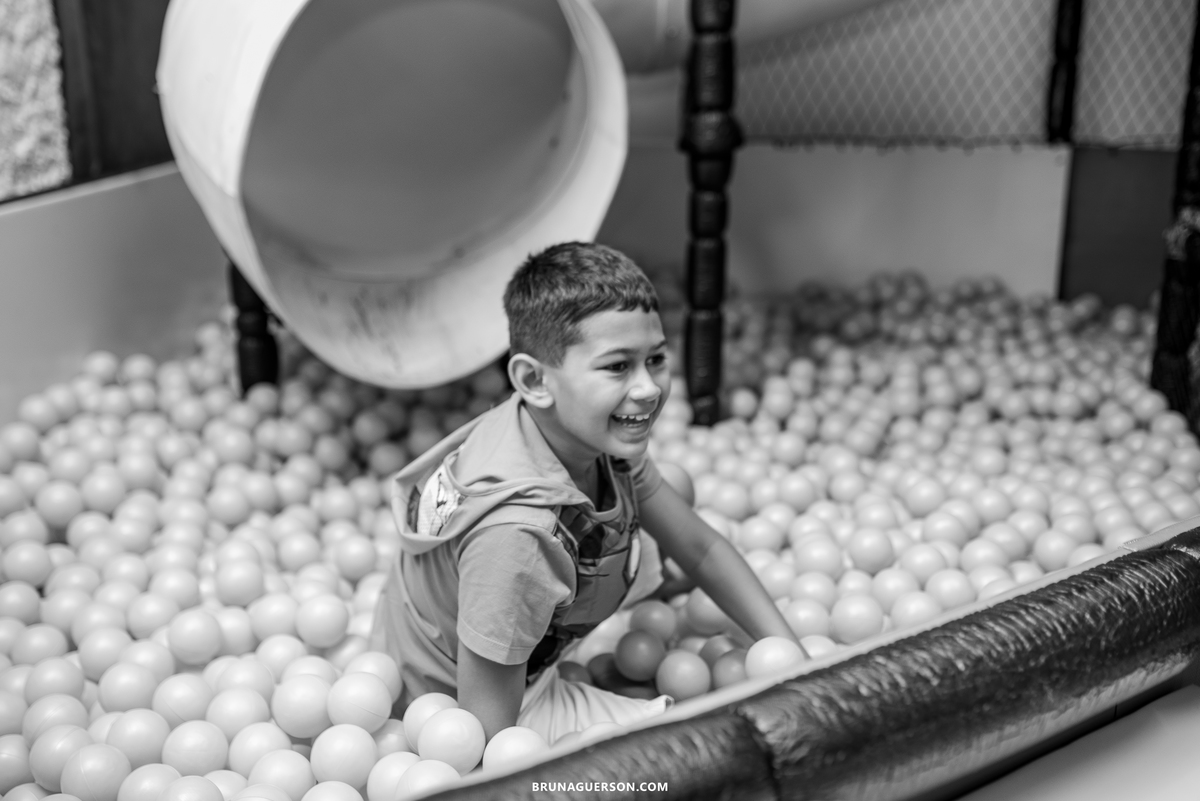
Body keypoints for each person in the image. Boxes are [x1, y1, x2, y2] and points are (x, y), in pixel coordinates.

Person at [370, 242, 801, 744]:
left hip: (468, 618)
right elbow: (489, 743)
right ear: (534, 380)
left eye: (656, 359)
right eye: (618, 366)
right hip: (464, 696)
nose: (648, 389)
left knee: (671, 489)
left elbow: (702, 549)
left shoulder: (578, 429)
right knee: (682, 756)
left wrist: (794, 658)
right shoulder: (518, 538)